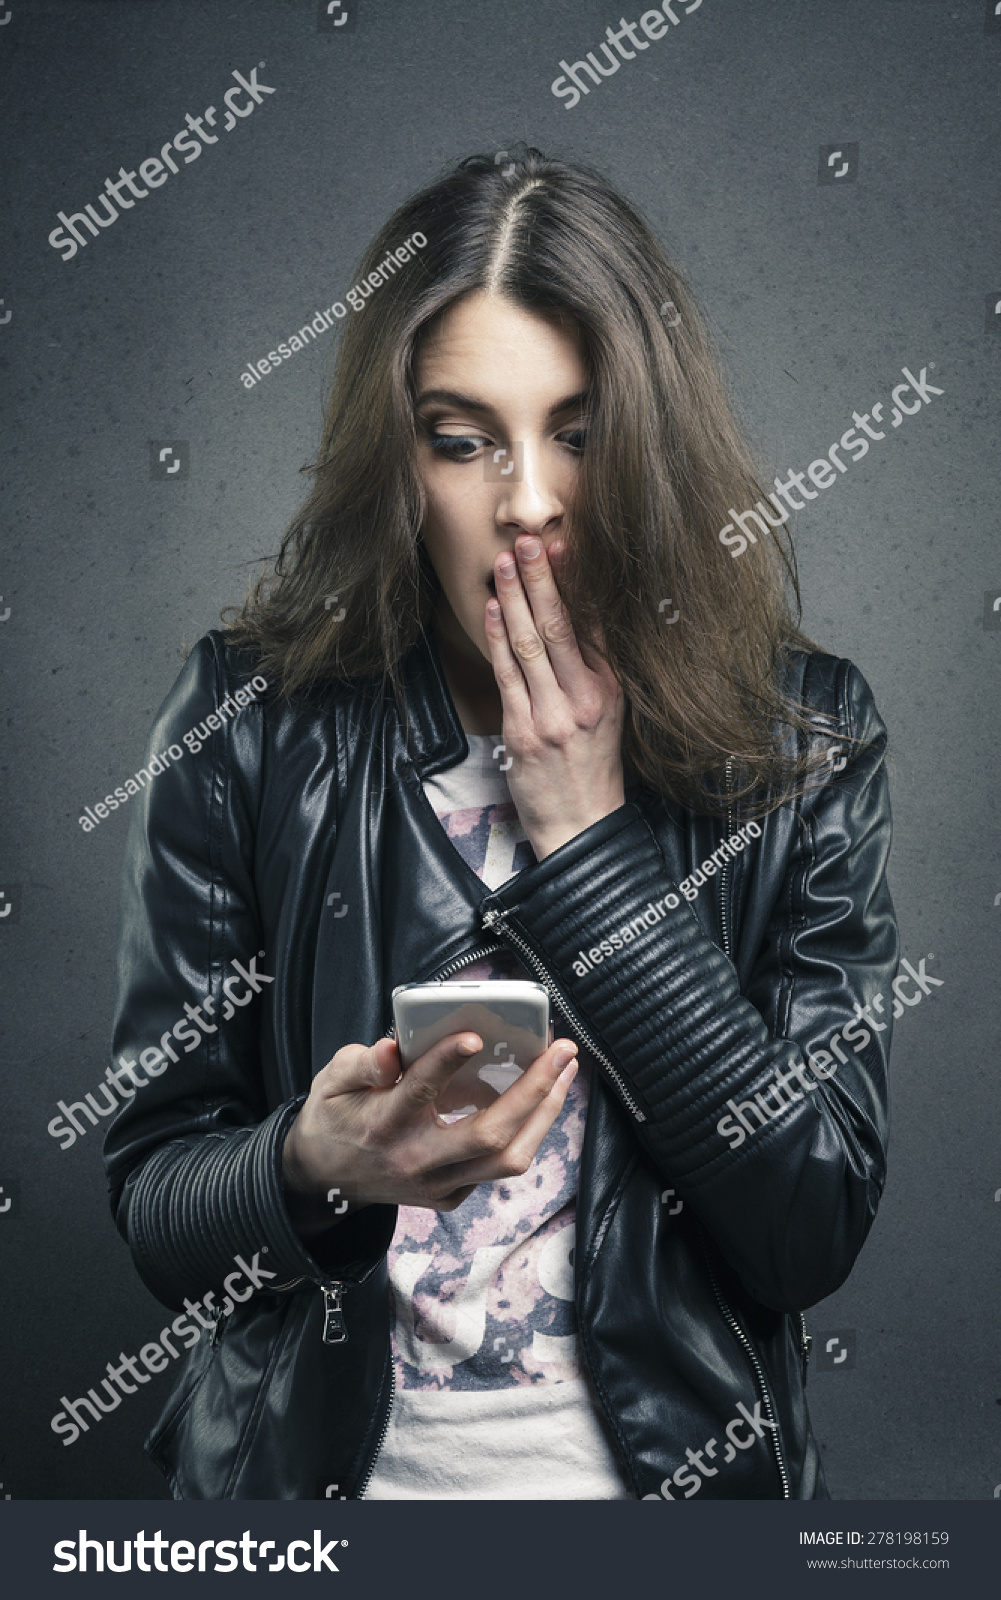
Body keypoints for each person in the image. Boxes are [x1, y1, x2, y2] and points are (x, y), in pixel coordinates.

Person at [103, 148, 898, 1501]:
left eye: (576, 434)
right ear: (396, 455)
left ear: (647, 439)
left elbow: (805, 1229)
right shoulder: (246, 721)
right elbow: (157, 1205)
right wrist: (312, 1162)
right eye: (462, 438)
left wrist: (591, 850)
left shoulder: (802, 742)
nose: (526, 500)